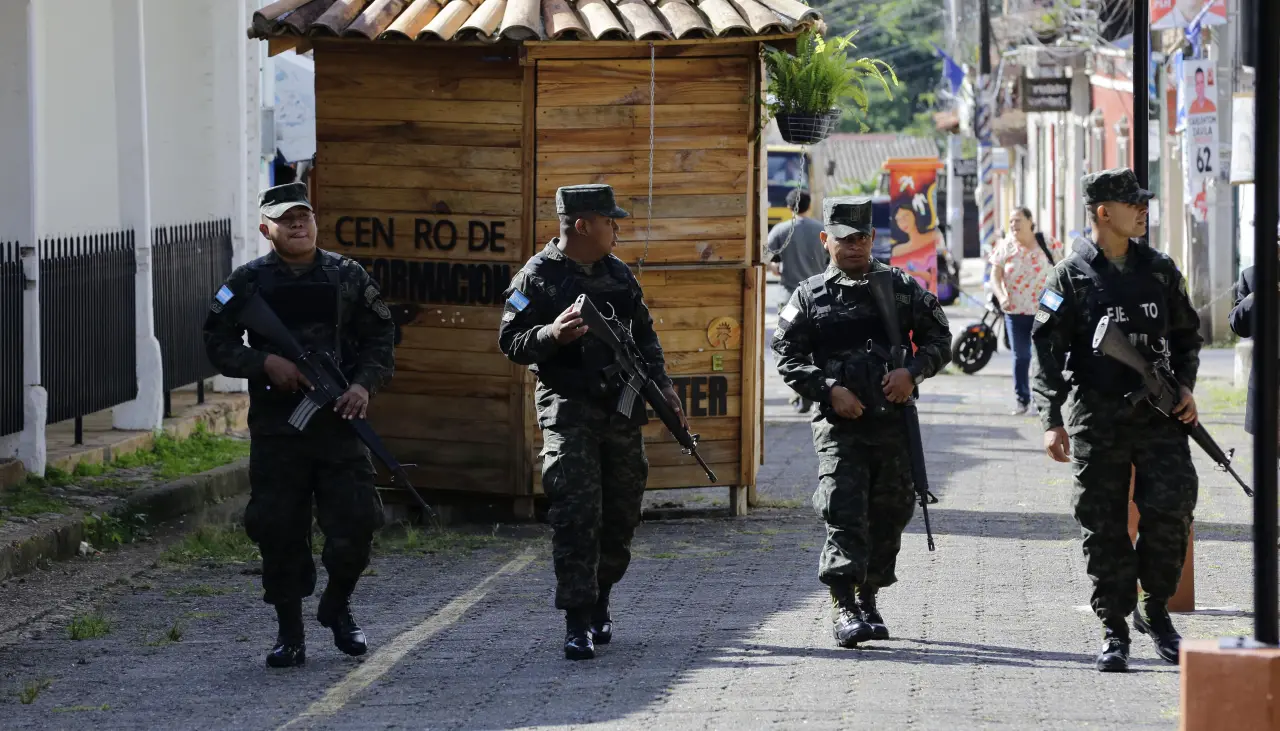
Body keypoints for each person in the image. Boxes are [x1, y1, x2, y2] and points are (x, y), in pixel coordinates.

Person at [204, 182, 396, 668]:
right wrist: (265, 363)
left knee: (357, 522)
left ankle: (338, 607)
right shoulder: (247, 283)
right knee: (278, 530)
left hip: (338, 425)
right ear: (266, 228)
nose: (297, 224)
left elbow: (381, 338)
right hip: (279, 433)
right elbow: (216, 342)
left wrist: (363, 386)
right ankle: (290, 633)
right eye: (286, 218)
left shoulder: (347, 275)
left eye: (304, 216)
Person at [498, 184, 685, 661]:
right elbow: (511, 341)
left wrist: (663, 386)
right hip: (568, 410)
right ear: (583, 225)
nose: (617, 229)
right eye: (610, 221)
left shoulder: (619, 276)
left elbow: (645, 338)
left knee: (622, 511)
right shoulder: (536, 278)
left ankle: (602, 596)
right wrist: (551, 334)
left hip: (620, 411)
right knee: (576, 515)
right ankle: (577, 620)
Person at [1031, 168, 1202, 673]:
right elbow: (1046, 353)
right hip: (1097, 417)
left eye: (1144, 202)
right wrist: (1051, 419)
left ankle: (1155, 610)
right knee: (1102, 523)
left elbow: (1188, 335)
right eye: (1133, 204)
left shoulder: (1161, 269)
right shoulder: (1069, 275)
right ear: (1104, 212)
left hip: (1159, 416)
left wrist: (1186, 387)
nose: (1143, 210)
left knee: (1172, 511)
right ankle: (1115, 625)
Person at [772, 196, 952, 648]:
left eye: (862, 239)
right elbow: (786, 353)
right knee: (843, 512)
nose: (854, 247)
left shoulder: (899, 287)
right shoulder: (808, 295)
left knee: (890, 514)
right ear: (825, 240)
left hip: (893, 425)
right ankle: (844, 605)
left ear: (873, 239)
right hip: (840, 428)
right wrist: (828, 388)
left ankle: (869, 595)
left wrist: (912, 373)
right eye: (845, 239)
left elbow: (939, 337)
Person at [988, 207, 1064, 414]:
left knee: (1044, 356)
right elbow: (995, 276)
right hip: (1015, 311)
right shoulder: (1005, 246)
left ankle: (1045, 399)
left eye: (1018, 220)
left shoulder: (1047, 243)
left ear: (1031, 221)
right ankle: (1023, 399)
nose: (1013, 225)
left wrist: (1060, 301)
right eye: (1011, 221)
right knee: (1021, 356)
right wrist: (1002, 296)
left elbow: (1063, 271)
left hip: (1045, 311)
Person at [765, 189, 828, 414]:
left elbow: (764, 257)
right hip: (819, 298)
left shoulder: (781, 230)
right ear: (808, 206)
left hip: (789, 301)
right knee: (819, 344)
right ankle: (822, 391)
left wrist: (777, 268)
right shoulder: (822, 230)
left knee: (791, 346)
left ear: (789, 207)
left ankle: (801, 394)